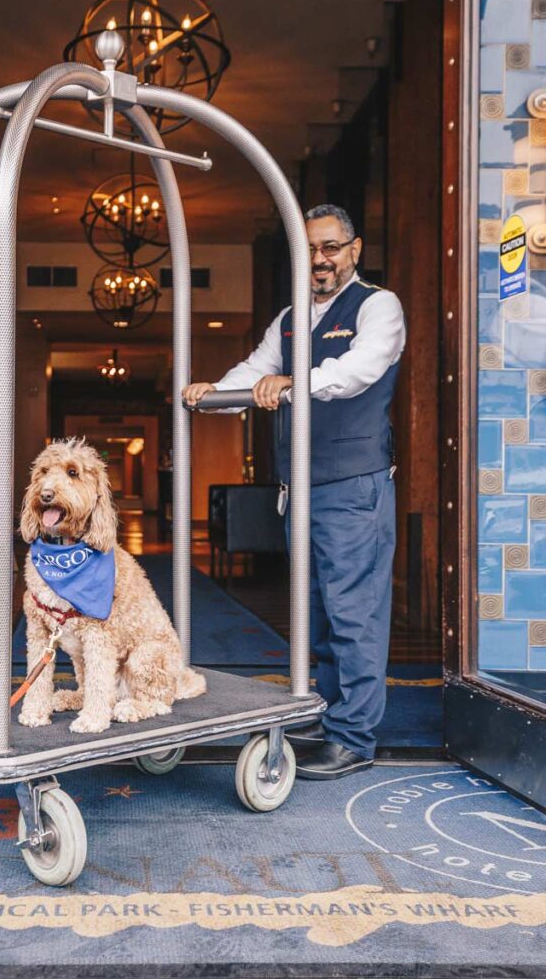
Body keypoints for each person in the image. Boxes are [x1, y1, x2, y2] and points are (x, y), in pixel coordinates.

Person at [183, 204, 406, 780]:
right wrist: (216, 391)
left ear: (354, 251)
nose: (320, 260)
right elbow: (255, 369)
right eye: (309, 249)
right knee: (317, 616)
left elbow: (356, 370)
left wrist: (289, 385)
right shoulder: (290, 317)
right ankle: (330, 714)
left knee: (354, 614)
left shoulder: (378, 306)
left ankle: (354, 737)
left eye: (331, 248)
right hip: (299, 491)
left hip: (353, 490)